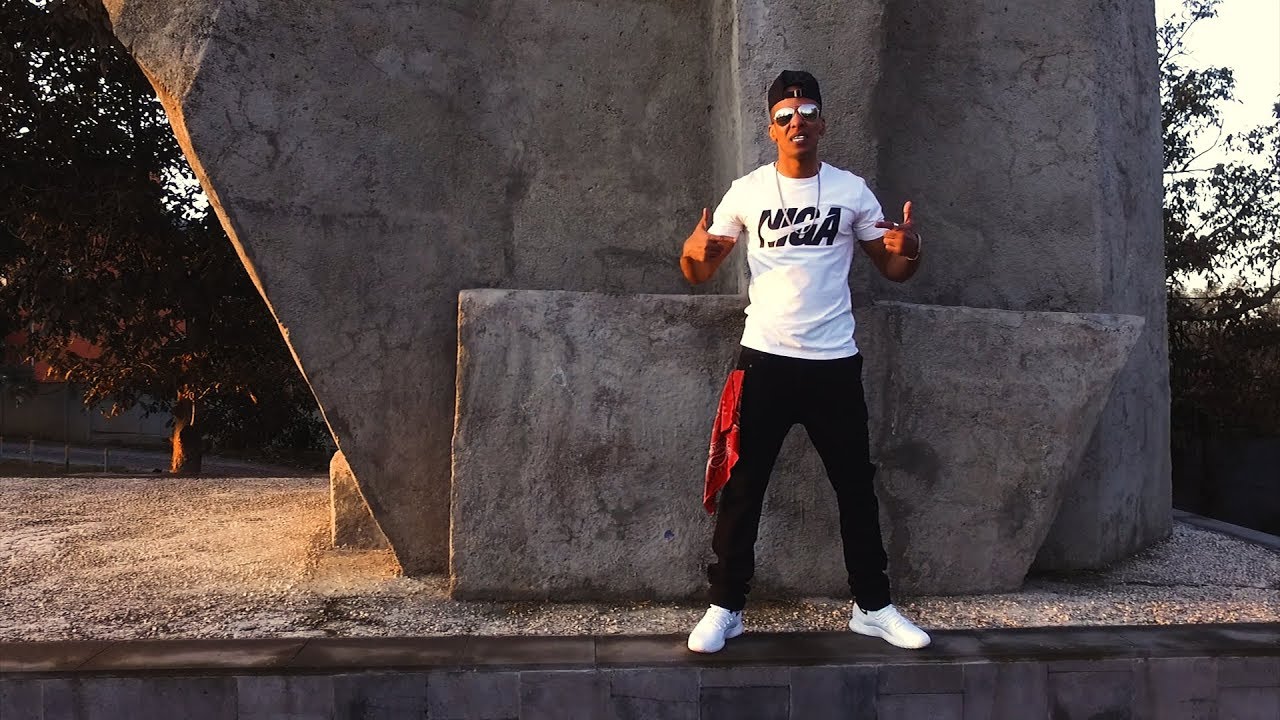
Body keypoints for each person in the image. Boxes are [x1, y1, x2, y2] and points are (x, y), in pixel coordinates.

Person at [681, 70, 931, 653]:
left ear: (823, 123)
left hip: (834, 364)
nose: (798, 122)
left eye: (809, 112)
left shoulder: (851, 191)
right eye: (786, 115)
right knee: (742, 488)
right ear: (771, 128)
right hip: (763, 361)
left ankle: (872, 607)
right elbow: (701, 269)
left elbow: (893, 268)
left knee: (855, 489)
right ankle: (725, 607)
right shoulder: (747, 192)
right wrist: (691, 254)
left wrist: (911, 251)